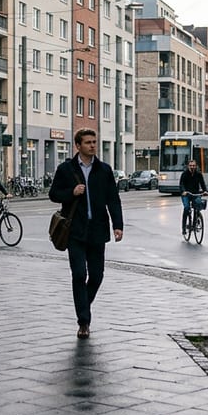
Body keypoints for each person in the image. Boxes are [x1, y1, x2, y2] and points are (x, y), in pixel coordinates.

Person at [49, 128, 124, 339]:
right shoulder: (66, 169)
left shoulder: (104, 170)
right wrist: (71, 193)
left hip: (98, 229)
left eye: (94, 142)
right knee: (79, 274)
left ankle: (83, 305)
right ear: (78, 145)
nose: (92, 146)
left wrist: (118, 225)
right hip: (75, 230)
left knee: (97, 275)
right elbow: (53, 194)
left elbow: (113, 199)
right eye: (88, 142)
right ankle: (83, 321)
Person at [178, 160, 208, 234]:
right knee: (186, 208)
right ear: (188, 166)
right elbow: (181, 184)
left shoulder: (198, 174)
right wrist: (183, 191)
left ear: (196, 166)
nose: (192, 167)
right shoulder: (184, 174)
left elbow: (202, 183)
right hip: (186, 194)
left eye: (193, 166)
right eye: (191, 165)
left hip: (195, 194)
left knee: (197, 206)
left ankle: (195, 222)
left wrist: (205, 191)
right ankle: (184, 227)